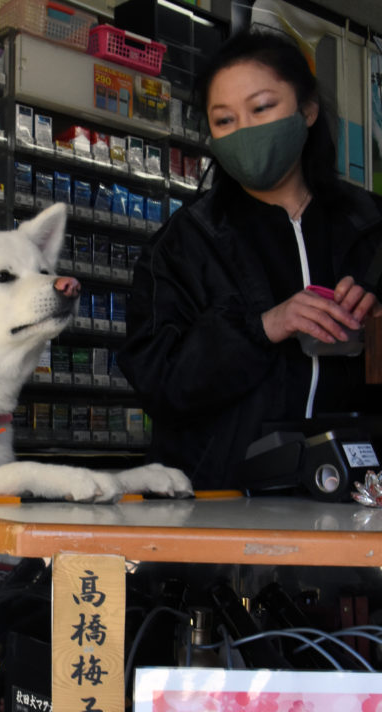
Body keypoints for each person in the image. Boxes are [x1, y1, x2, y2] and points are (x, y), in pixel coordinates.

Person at [118, 28, 382, 490]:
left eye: (262, 108)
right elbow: (159, 381)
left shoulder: (371, 226)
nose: (246, 130)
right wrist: (263, 327)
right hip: (224, 505)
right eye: (224, 120)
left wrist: (378, 331)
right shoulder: (185, 243)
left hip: (358, 498)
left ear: (307, 110)